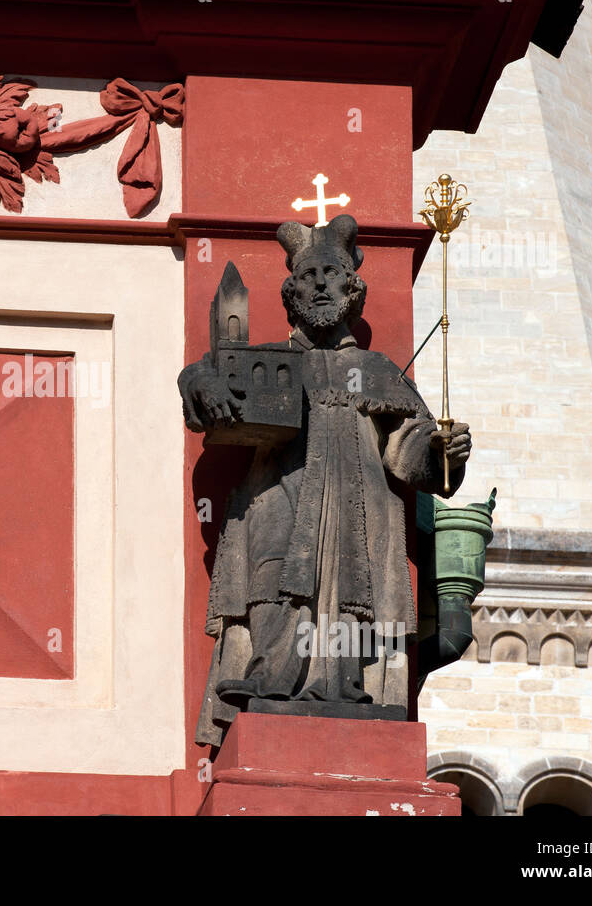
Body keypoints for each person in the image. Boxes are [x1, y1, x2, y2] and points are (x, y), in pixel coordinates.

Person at [179, 214, 472, 747]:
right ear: (290, 293)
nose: (318, 284)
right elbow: (201, 377)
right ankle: (268, 679)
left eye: (330, 274)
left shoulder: (376, 368)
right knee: (271, 580)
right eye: (307, 275)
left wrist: (443, 451)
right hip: (276, 499)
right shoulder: (267, 362)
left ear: (352, 290)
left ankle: (340, 690)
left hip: (355, 508)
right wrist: (201, 386)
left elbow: (410, 455)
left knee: (346, 595)